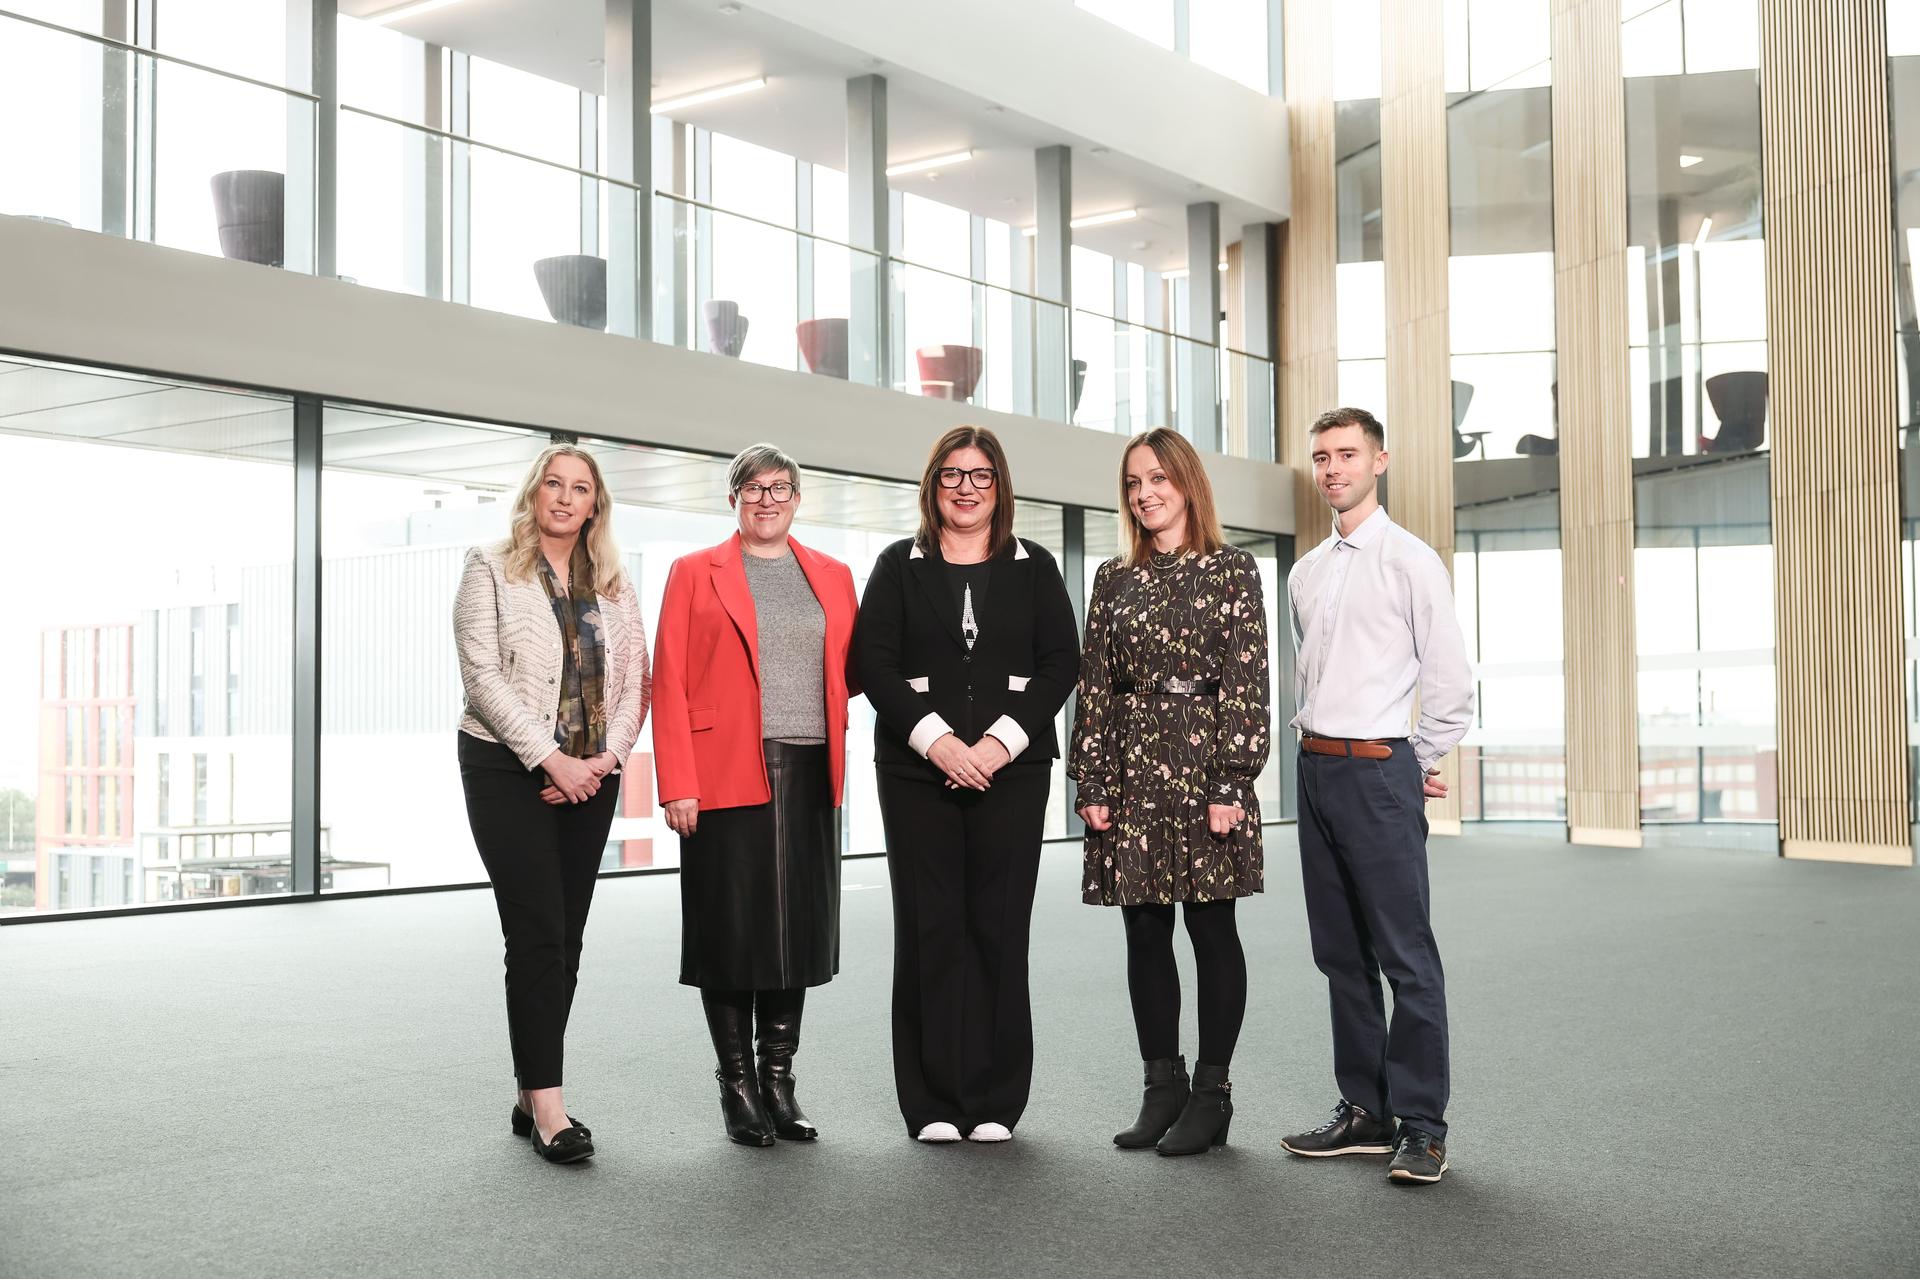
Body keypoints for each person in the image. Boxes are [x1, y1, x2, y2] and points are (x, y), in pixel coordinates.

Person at [853, 425, 1079, 1144]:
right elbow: (873, 664)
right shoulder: (898, 563)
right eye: (952, 475)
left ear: (1000, 487)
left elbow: (1060, 664)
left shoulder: (1035, 565)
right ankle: (930, 1102)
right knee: (929, 929)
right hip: (916, 773)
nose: (966, 488)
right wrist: (940, 741)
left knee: (999, 927)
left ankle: (993, 1100)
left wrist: (998, 744)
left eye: (981, 476)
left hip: (1013, 773)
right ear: (933, 485)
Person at [1279, 406, 1473, 1186]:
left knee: (1405, 955)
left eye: (1347, 454)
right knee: (1339, 954)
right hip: (1316, 769)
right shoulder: (1307, 569)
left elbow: (1453, 688)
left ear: (1380, 460)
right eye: (1321, 456)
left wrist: (1405, 760)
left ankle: (1423, 1123)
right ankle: (1366, 1109)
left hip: (1378, 769)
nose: (1332, 468)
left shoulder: (1411, 561)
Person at [1068, 426, 1270, 1157]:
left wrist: (1231, 779)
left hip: (1205, 764)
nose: (1144, 493)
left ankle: (1212, 1096)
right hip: (1132, 767)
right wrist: (1092, 776)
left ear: (1186, 484)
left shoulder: (1232, 570)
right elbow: (1092, 685)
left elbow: (1247, 683)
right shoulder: (1112, 579)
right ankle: (1163, 1088)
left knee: (1211, 930)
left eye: (1157, 478)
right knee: (1143, 931)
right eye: (1132, 482)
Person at [651, 444, 860, 1147]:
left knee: (793, 931)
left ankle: (779, 1079)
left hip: (809, 769)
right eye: (753, 487)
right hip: (722, 770)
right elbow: (668, 681)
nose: (768, 499)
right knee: (732, 928)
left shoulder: (833, 575)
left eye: (781, 487)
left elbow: (852, 670)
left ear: (798, 498)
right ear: (733, 498)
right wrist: (677, 780)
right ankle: (736, 1084)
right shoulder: (693, 572)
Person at [454, 443, 651, 1165]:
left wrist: (606, 759)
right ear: (535, 493)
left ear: (595, 504)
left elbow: (637, 680)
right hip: (506, 769)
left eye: (581, 489)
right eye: (554, 486)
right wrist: (552, 758)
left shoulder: (616, 583)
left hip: (592, 773)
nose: (566, 499)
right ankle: (549, 1107)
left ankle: (527, 1083)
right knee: (536, 931)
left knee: (565, 937)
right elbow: (482, 675)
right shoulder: (489, 565)